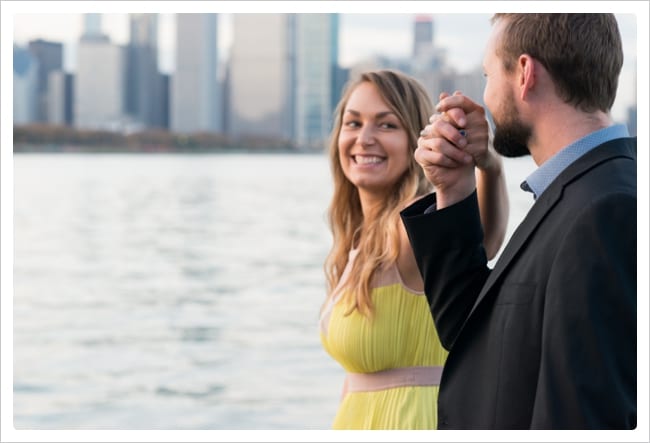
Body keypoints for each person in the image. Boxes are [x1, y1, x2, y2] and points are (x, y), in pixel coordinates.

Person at [401, 14, 636, 429]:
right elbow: (474, 336)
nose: (484, 97)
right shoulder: (582, 190)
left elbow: (581, 418)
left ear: (525, 73)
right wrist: (454, 190)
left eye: (488, 75)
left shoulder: (605, 209)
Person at [319, 69, 509, 429]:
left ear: (416, 141)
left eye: (386, 125)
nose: (365, 138)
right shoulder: (356, 242)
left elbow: (479, 238)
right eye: (353, 123)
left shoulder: (408, 229)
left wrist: (488, 166)